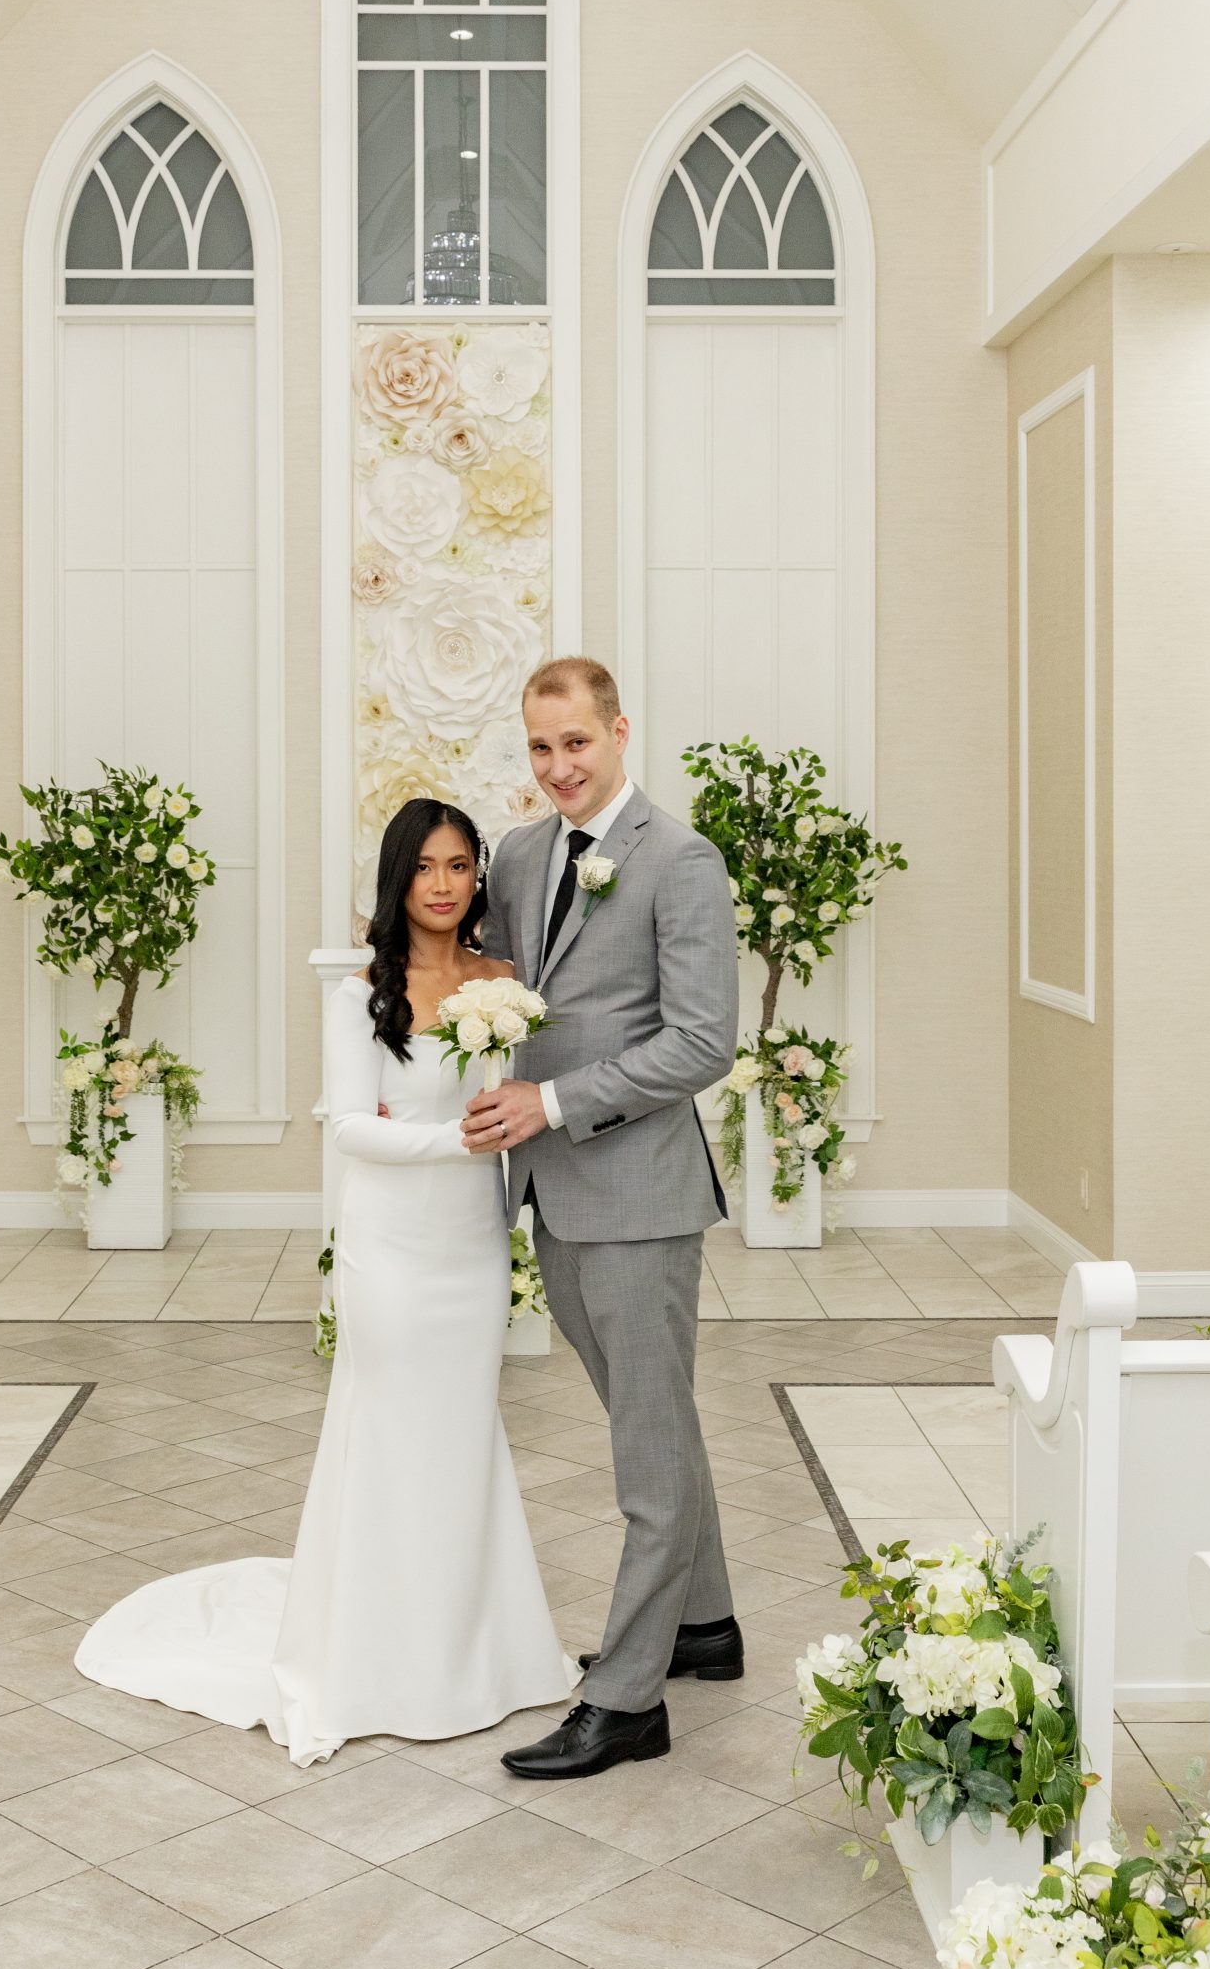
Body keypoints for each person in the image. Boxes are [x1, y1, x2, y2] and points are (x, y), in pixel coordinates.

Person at [73, 797, 577, 1764]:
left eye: (459, 866)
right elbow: (349, 1127)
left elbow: (525, 1095)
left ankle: (477, 1652)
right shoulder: (363, 995)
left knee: (463, 1435)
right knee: (388, 1432)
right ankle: (374, 1656)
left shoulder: (502, 984)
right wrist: (458, 1140)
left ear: (478, 877)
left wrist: (486, 1136)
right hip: (391, 1251)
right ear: (396, 878)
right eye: (424, 867)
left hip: (472, 1250)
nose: (442, 885)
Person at [462, 654, 742, 1780]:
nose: (558, 767)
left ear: (620, 732)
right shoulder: (521, 854)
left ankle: (626, 1701)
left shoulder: (681, 860)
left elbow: (702, 1042)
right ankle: (703, 1625)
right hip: (553, 1195)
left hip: (639, 1196)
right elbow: (489, 977)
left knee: (646, 1454)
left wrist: (554, 1102)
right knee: (652, 1420)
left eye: (575, 742)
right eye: (540, 747)